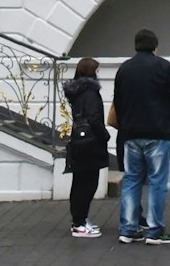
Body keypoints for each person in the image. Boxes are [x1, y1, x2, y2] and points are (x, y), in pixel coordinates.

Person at [110, 28, 170, 245]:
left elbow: (118, 99)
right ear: (155, 46)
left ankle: (128, 229)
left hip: (131, 133)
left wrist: (125, 122)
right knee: (157, 181)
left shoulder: (124, 68)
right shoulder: (162, 66)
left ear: (135, 45)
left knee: (132, 180)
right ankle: (155, 231)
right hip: (157, 131)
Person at [62, 57, 109, 238]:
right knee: (88, 183)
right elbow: (93, 118)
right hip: (91, 143)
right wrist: (104, 135)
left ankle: (79, 220)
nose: (98, 73)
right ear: (91, 71)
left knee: (80, 182)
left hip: (79, 141)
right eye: (96, 70)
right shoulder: (90, 93)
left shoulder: (77, 92)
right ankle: (79, 223)